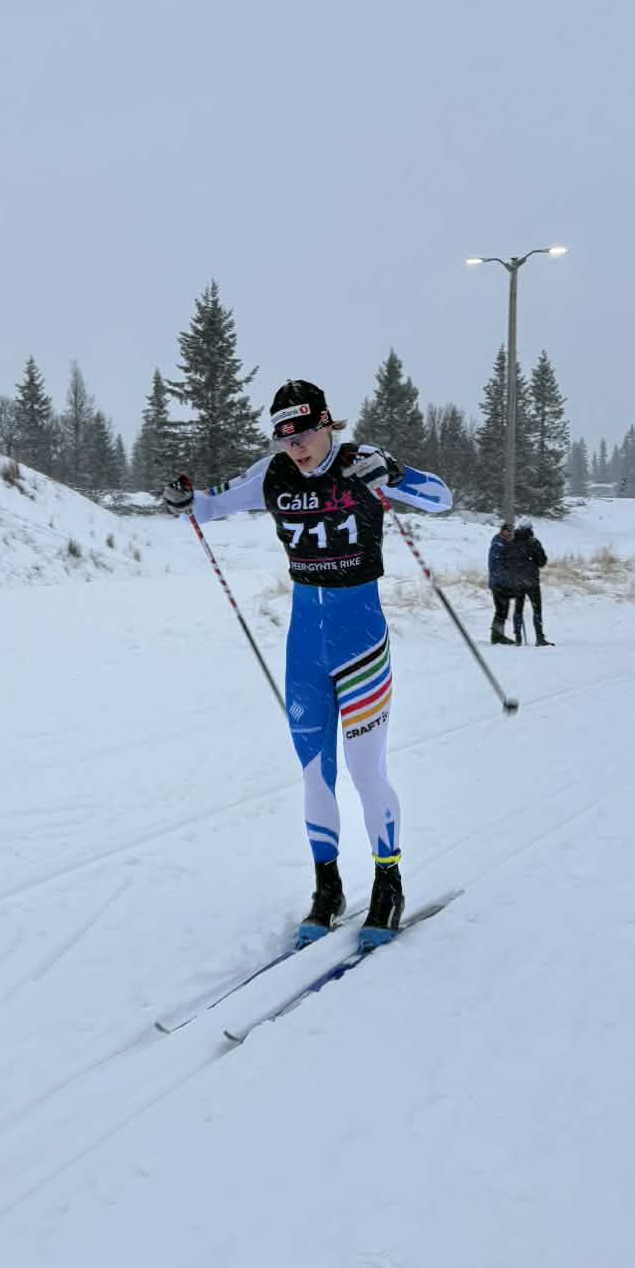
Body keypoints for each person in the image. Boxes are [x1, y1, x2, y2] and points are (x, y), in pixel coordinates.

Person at [160, 379, 451, 949]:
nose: (294, 444)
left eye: (303, 430)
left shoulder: (361, 463)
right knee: (315, 774)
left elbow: (442, 498)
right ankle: (328, 887)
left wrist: (396, 473)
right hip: (303, 645)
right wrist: (183, 498)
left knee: (366, 771)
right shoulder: (272, 475)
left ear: (327, 422)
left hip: (360, 639)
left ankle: (387, 882)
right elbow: (210, 504)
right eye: (283, 433)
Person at [507, 523, 552, 645]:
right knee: (536, 609)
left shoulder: (511, 543)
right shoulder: (533, 542)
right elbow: (542, 561)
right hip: (531, 580)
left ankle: (517, 637)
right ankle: (539, 637)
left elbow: (507, 562)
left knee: (518, 608)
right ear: (530, 530)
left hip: (517, 581)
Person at [488, 521, 516, 643]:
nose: (509, 533)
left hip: (505, 582)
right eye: (507, 531)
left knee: (503, 610)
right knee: (501, 610)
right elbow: (496, 565)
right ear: (502, 530)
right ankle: (497, 637)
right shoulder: (497, 544)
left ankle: (499, 635)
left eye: (511, 531)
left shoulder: (505, 543)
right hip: (499, 583)